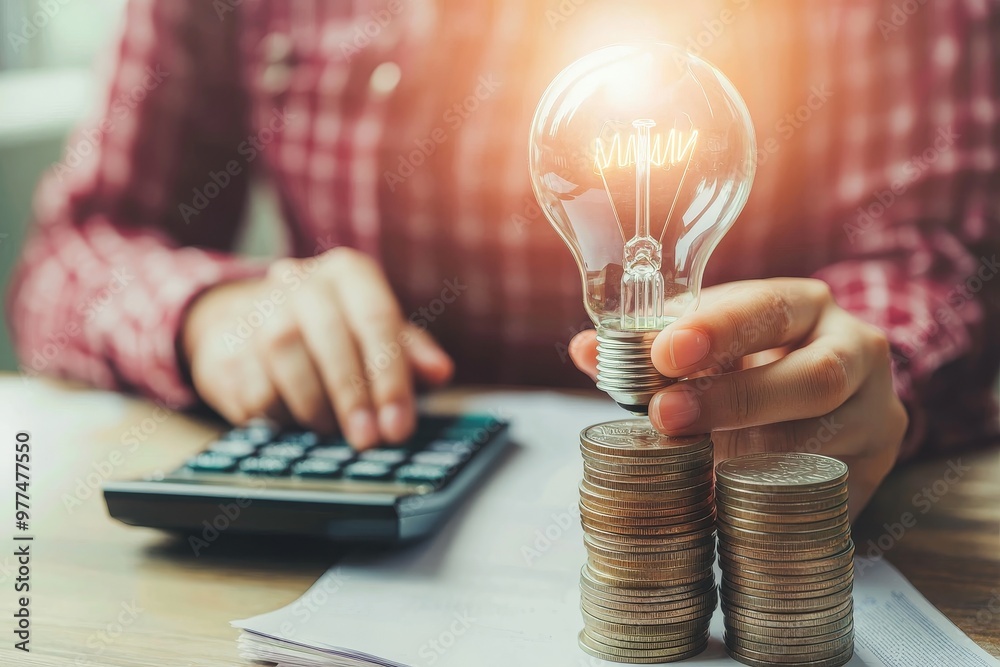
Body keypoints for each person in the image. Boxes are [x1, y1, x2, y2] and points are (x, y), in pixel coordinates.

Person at [6, 0, 999, 517]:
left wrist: (858, 376)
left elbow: (936, 264)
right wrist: (210, 312)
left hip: (731, 478)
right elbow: (74, 252)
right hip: (379, 476)